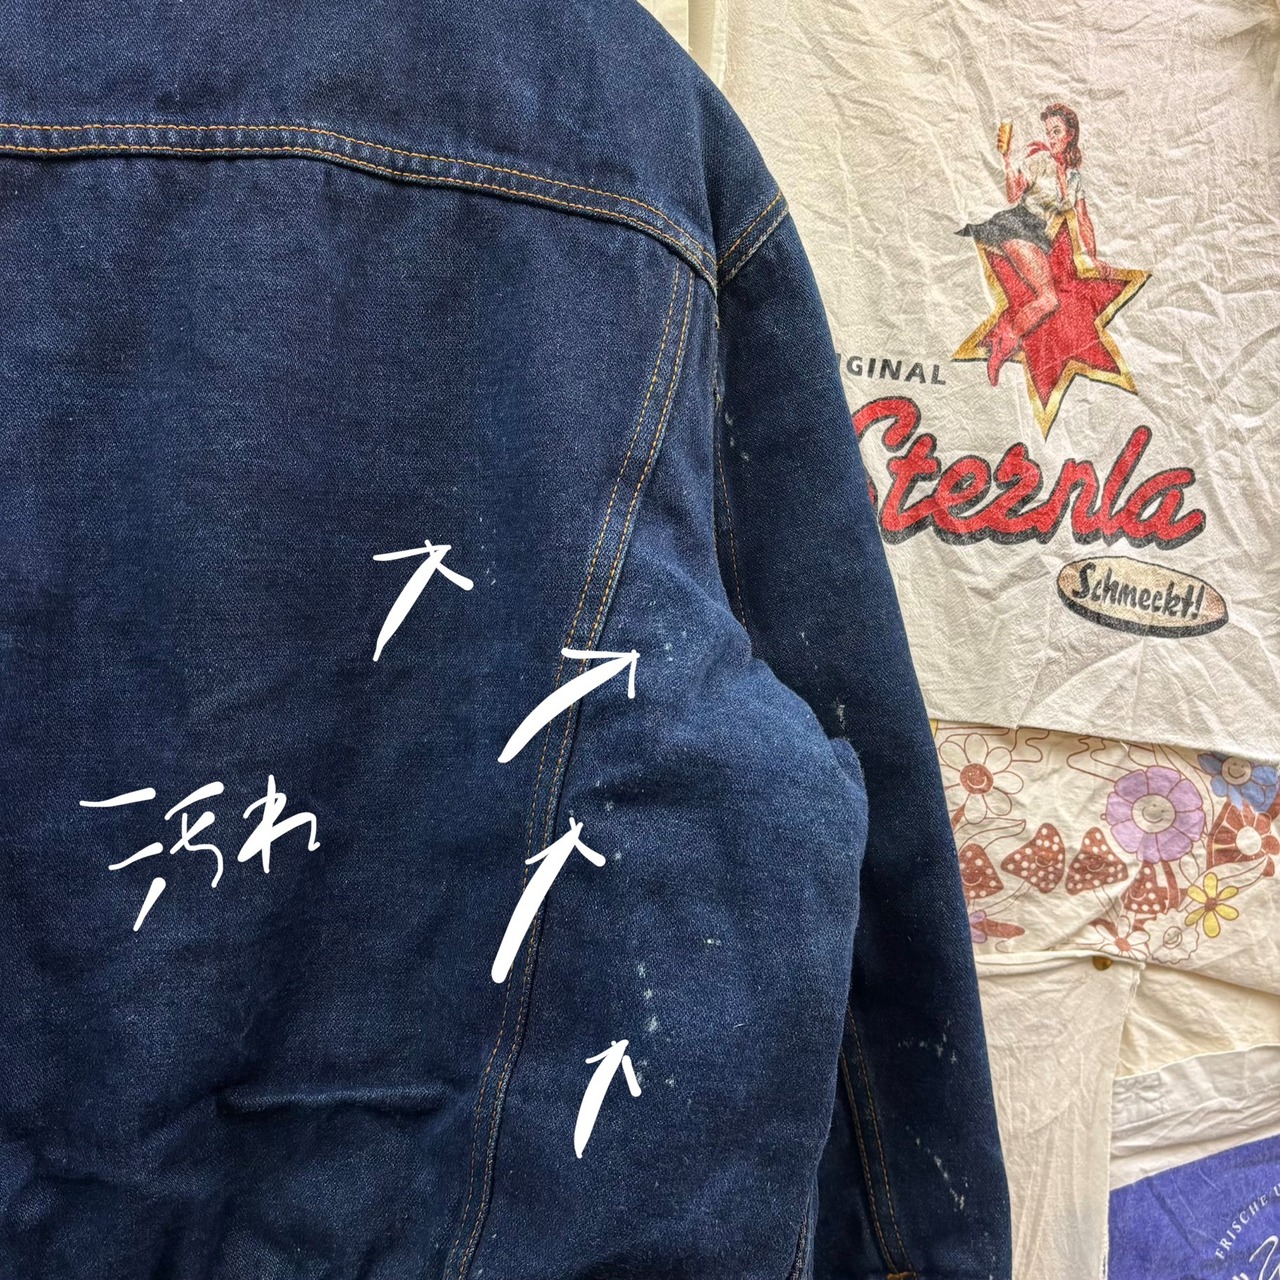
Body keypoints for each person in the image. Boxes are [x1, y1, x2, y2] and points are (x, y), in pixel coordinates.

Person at [958, 103, 1119, 384]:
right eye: (1049, 132)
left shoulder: (1074, 178)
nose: (1052, 137)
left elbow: (1083, 218)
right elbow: (1013, 194)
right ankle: (1002, 346)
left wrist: (1092, 257)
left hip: (1037, 235)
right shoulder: (1039, 161)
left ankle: (1003, 341)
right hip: (1017, 225)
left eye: (1057, 131)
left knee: (1050, 300)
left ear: (1071, 134)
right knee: (1048, 299)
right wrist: (1007, 159)